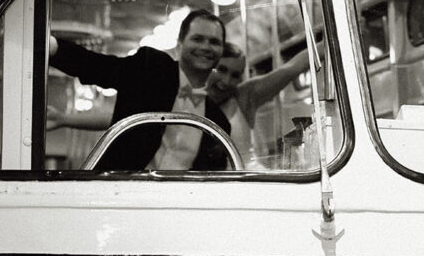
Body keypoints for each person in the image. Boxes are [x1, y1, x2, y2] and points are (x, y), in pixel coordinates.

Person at [48, 9, 231, 171]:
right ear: (180, 43)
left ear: (222, 50)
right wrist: (53, 47)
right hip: (121, 193)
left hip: (175, 206)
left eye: (214, 42)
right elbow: (102, 68)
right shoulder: (151, 67)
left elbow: (211, 179)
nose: (206, 47)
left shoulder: (218, 122)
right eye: (197, 39)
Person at [205, 42, 315, 163]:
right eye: (221, 69)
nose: (226, 81)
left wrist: (332, 43)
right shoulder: (187, 102)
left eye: (235, 75)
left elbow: (292, 68)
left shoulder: (243, 97)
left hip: (250, 178)